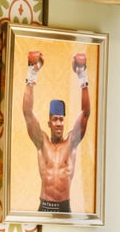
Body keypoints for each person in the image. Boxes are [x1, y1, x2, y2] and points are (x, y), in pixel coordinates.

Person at [22, 49, 91, 214]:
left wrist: (83, 77)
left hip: (64, 206)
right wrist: (32, 74)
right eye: (55, 119)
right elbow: (27, 112)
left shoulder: (71, 142)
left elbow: (86, 113)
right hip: (44, 205)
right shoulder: (41, 142)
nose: (59, 123)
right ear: (49, 123)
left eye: (61, 119)